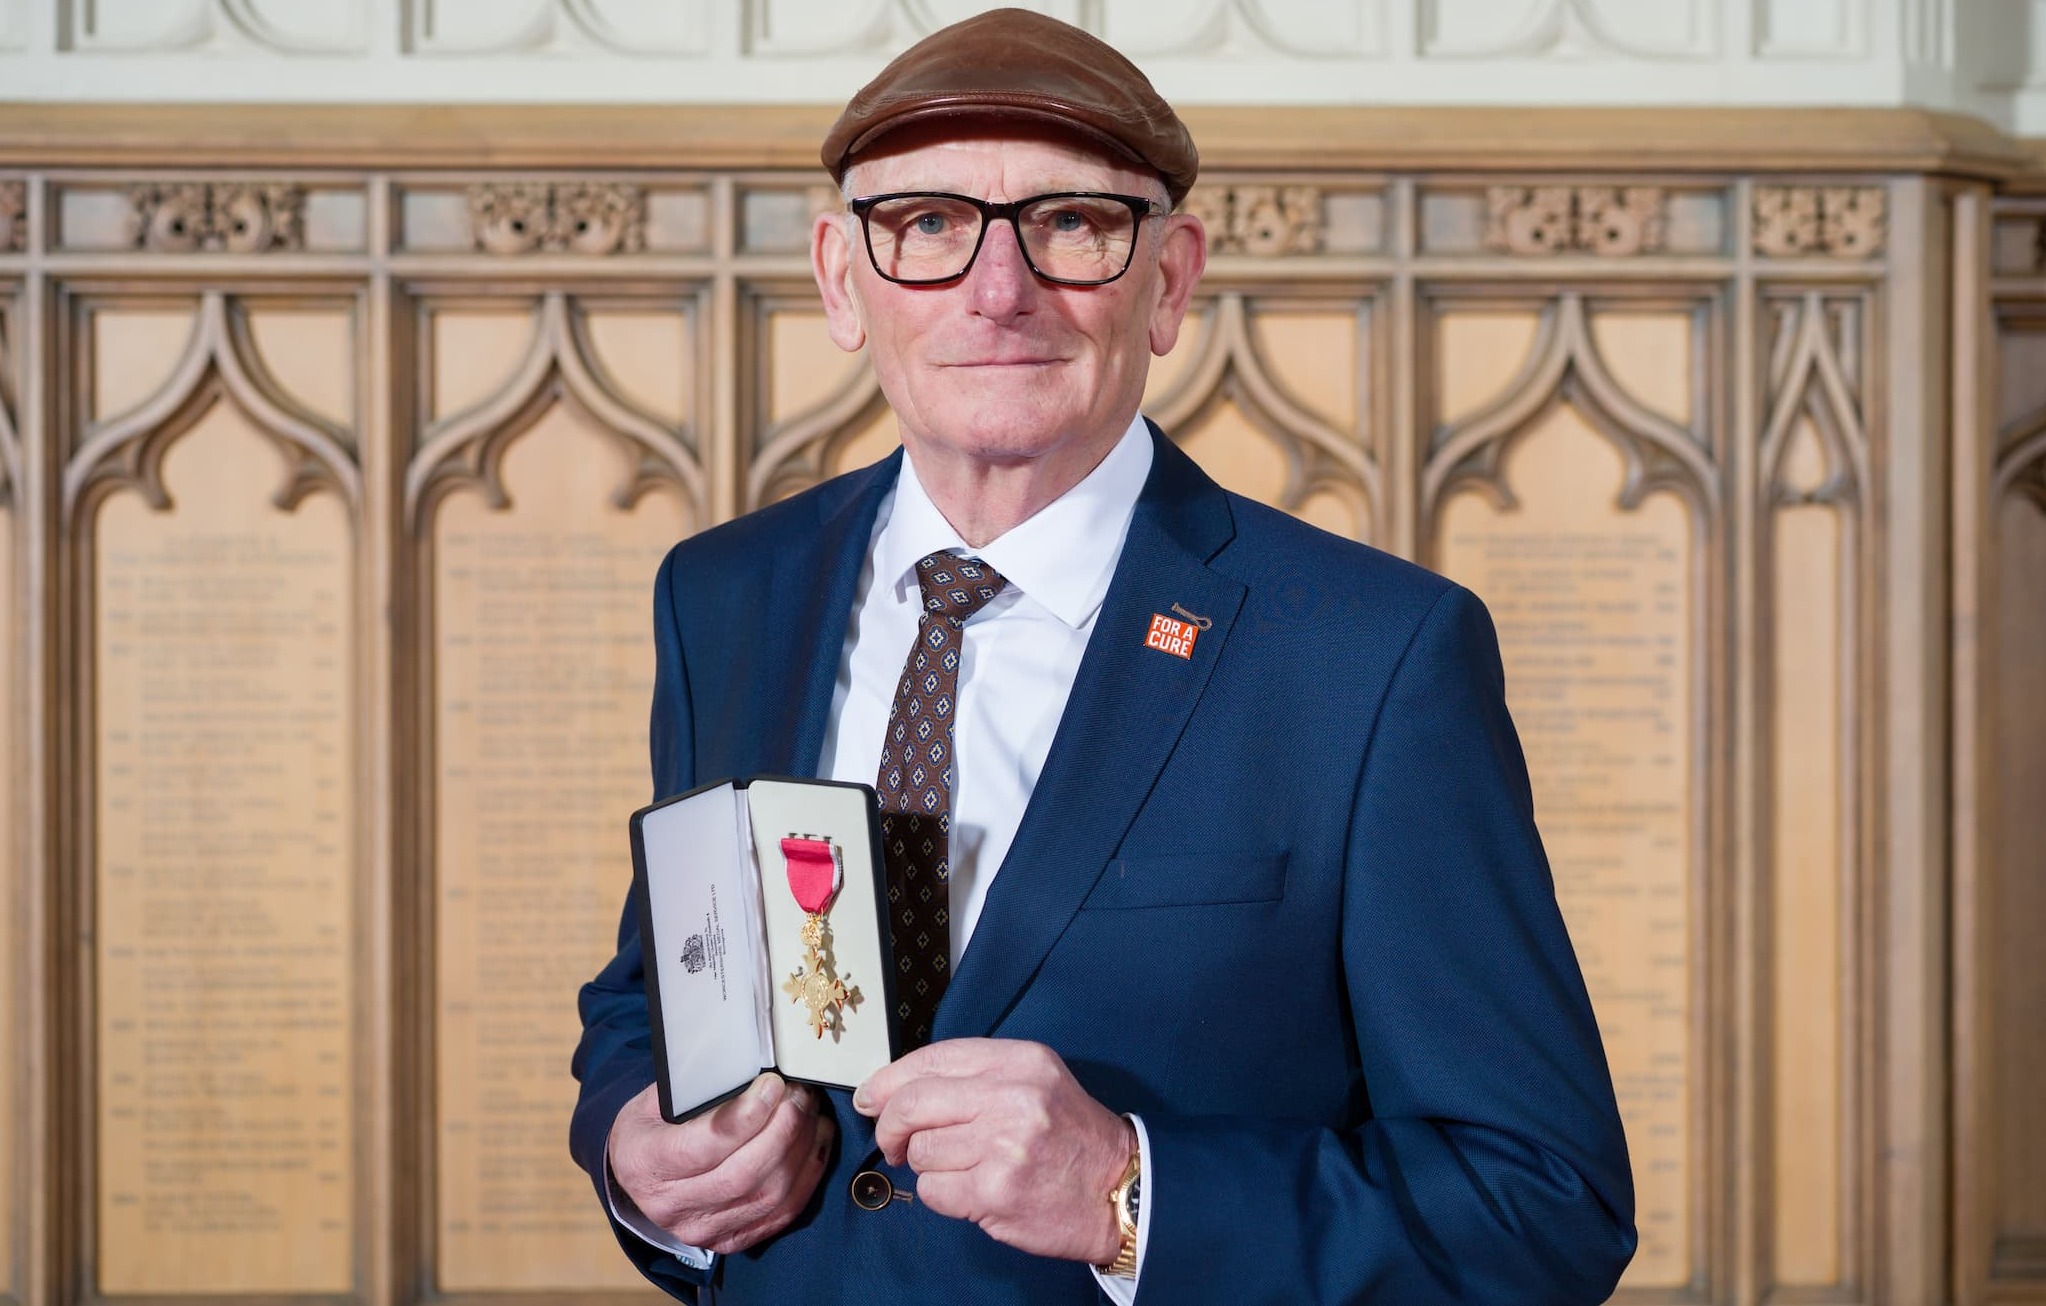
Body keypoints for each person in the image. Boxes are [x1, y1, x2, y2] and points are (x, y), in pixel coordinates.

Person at [571, 8, 1636, 1303]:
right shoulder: (729, 593)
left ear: (1170, 280)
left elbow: (1543, 1205)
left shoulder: (1372, 659)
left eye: (1072, 224)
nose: (998, 290)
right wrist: (640, 1156)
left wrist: (1128, 1193)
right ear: (842, 280)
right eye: (927, 224)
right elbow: (661, 986)